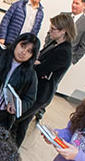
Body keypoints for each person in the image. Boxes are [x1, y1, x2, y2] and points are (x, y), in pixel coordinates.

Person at [13, 14, 76, 148]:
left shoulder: (64, 52)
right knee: (22, 123)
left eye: (53, 29)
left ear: (63, 31)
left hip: (40, 93)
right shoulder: (55, 43)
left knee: (18, 121)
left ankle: (11, 151)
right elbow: (37, 60)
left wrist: (36, 64)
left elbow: (41, 69)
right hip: (35, 88)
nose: (49, 30)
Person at [45, 0, 85, 64]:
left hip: (64, 59)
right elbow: (50, 32)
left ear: (84, 5)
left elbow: (84, 46)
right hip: (49, 52)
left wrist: (72, 60)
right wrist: (46, 46)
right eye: (73, 2)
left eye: (77, 3)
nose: (73, 5)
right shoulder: (62, 15)